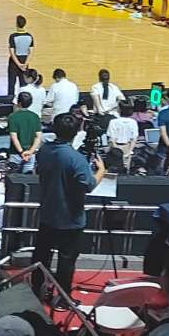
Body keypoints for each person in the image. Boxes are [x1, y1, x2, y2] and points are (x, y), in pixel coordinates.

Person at [33, 112, 103, 291]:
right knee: (66, 260)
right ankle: (63, 297)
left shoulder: (44, 150)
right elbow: (89, 185)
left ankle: (36, 288)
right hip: (70, 219)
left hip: (47, 213)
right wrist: (101, 171)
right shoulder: (76, 159)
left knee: (41, 256)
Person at [6, 15, 35, 95]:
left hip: (14, 63)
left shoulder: (13, 36)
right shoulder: (29, 36)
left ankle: (10, 100)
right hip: (25, 61)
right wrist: (25, 64)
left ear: (16, 24)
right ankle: (24, 99)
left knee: (11, 84)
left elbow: (12, 52)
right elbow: (31, 52)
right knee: (24, 84)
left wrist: (18, 64)